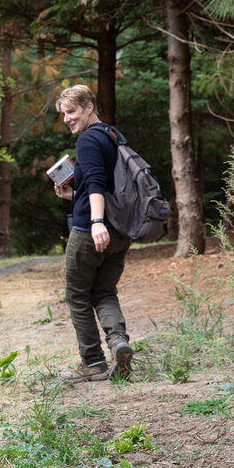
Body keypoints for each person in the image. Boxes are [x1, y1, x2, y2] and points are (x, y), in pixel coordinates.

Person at [52, 84, 134, 382]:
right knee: (104, 291)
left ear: (89, 107)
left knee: (77, 296)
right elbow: (103, 185)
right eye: (63, 114)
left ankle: (93, 363)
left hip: (92, 230)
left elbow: (98, 183)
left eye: (71, 111)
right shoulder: (113, 135)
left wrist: (96, 221)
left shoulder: (87, 140)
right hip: (120, 229)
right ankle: (118, 341)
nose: (66, 119)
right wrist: (73, 195)